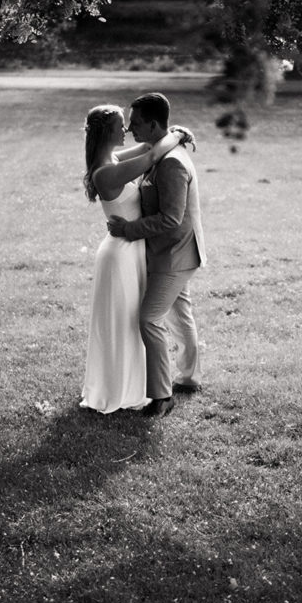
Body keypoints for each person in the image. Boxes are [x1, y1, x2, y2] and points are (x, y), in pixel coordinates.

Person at [81, 104, 192, 414]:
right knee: (123, 322)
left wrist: (173, 131)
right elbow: (152, 156)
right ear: (107, 132)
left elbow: (146, 147)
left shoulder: (112, 160)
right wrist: (178, 135)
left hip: (131, 250)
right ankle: (119, 388)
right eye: (121, 125)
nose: (126, 130)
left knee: (132, 321)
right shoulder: (107, 171)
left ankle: (137, 383)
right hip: (121, 254)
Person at [108, 93, 207, 419]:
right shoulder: (158, 152)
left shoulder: (172, 163)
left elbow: (171, 219)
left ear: (153, 124)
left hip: (175, 255)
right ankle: (189, 378)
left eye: (135, 123)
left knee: (149, 319)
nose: (130, 128)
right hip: (171, 252)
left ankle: (162, 396)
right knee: (180, 314)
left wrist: (128, 229)